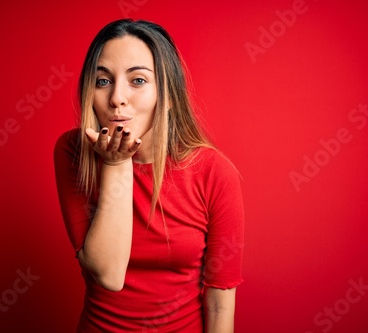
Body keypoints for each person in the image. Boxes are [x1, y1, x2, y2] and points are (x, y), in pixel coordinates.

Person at [54, 18, 244, 333]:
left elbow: (219, 302)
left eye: (138, 80)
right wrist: (116, 164)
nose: (117, 97)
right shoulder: (74, 152)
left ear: (167, 95)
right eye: (102, 81)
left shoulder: (215, 173)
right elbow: (109, 273)